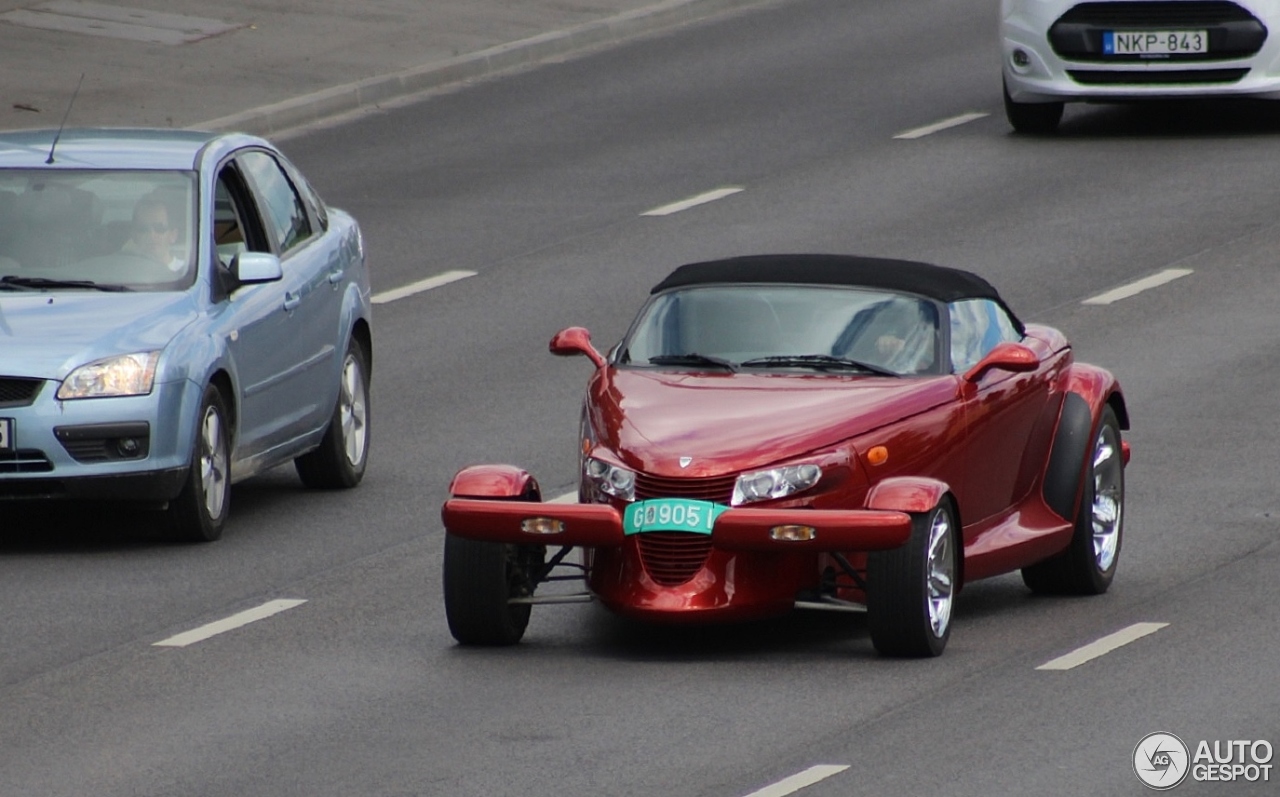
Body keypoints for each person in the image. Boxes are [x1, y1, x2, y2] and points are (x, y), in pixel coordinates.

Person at [121, 197, 184, 273]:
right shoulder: (124, 273)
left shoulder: (185, 272)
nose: (151, 235)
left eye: (159, 228)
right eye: (143, 228)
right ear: (134, 236)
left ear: (173, 235)